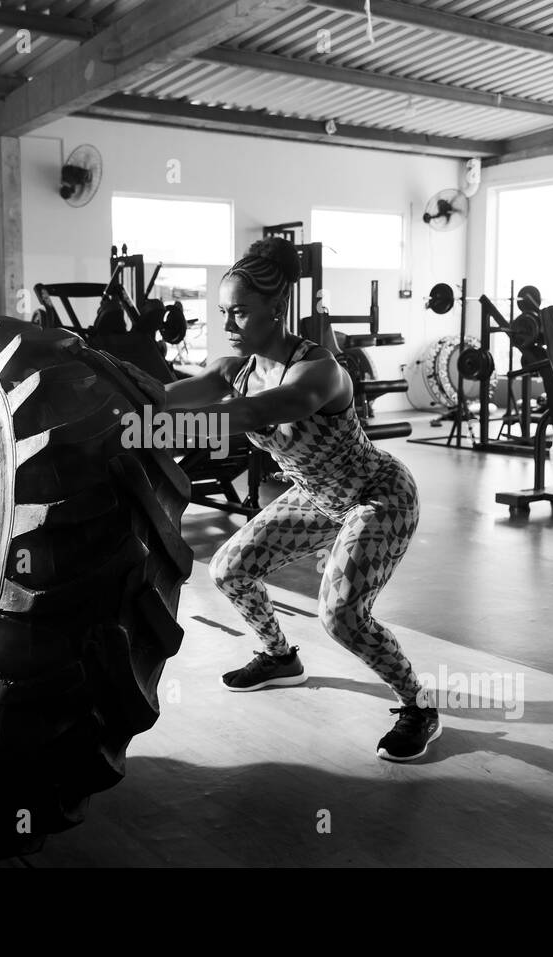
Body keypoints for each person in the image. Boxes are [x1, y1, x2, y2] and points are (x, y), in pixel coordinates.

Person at [149, 236, 439, 762]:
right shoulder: (231, 370)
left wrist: (150, 427)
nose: (228, 325)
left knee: (342, 616)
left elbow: (254, 414)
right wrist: (112, 399)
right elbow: (161, 396)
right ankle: (280, 657)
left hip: (377, 498)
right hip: (315, 497)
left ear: (276, 312)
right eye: (222, 313)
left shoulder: (319, 370)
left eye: (240, 313)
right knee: (229, 568)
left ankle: (418, 706)